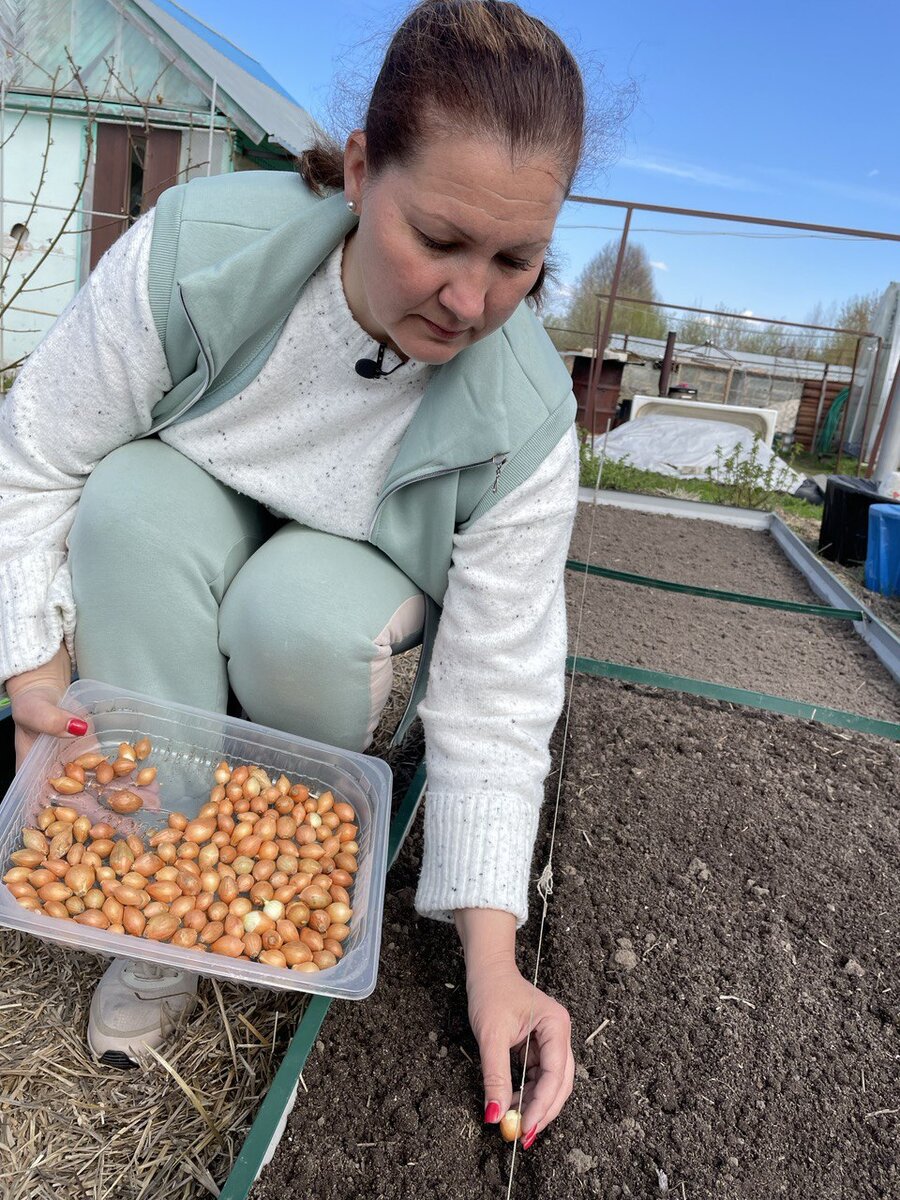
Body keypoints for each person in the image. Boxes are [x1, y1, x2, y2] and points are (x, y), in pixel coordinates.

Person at [1, 0, 587, 1149]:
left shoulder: (525, 419)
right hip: (186, 529)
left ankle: (287, 807)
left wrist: (492, 964)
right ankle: (159, 878)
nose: (470, 302)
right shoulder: (194, 255)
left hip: (344, 605)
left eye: (515, 260)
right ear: (362, 171)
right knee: (126, 499)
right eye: (440, 238)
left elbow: (499, 694)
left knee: (299, 620)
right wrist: (34, 676)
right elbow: (32, 461)